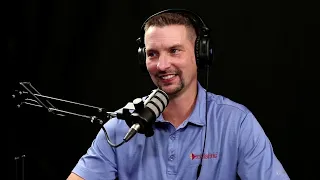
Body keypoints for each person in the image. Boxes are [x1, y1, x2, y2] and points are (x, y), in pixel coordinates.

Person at [67, 9, 290, 180]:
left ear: (200, 55)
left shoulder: (236, 122)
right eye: (153, 54)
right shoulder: (122, 125)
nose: (162, 65)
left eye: (174, 51)